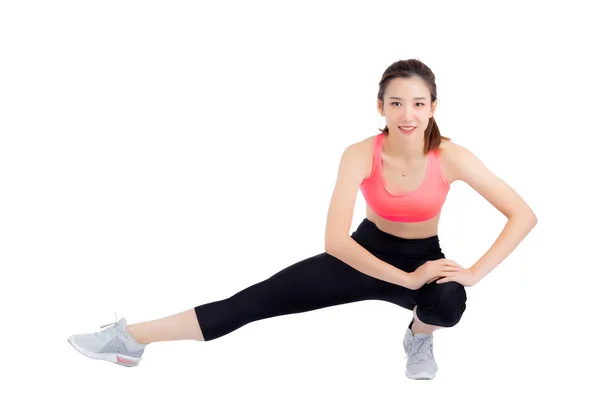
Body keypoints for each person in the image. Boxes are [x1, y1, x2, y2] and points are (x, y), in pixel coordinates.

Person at [67, 58, 537, 380]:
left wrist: (471, 272)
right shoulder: (359, 154)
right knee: (250, 302)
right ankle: (130, 339)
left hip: (423, 258)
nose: (408, 114)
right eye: (396, 103)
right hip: (360, 252)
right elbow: (336, 241)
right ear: (381, 107)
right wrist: (404, 277)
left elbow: (522, 214)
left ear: (433, 106)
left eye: (418, 103)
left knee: (448, 303)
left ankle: (419, 337)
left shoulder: (451, 156)